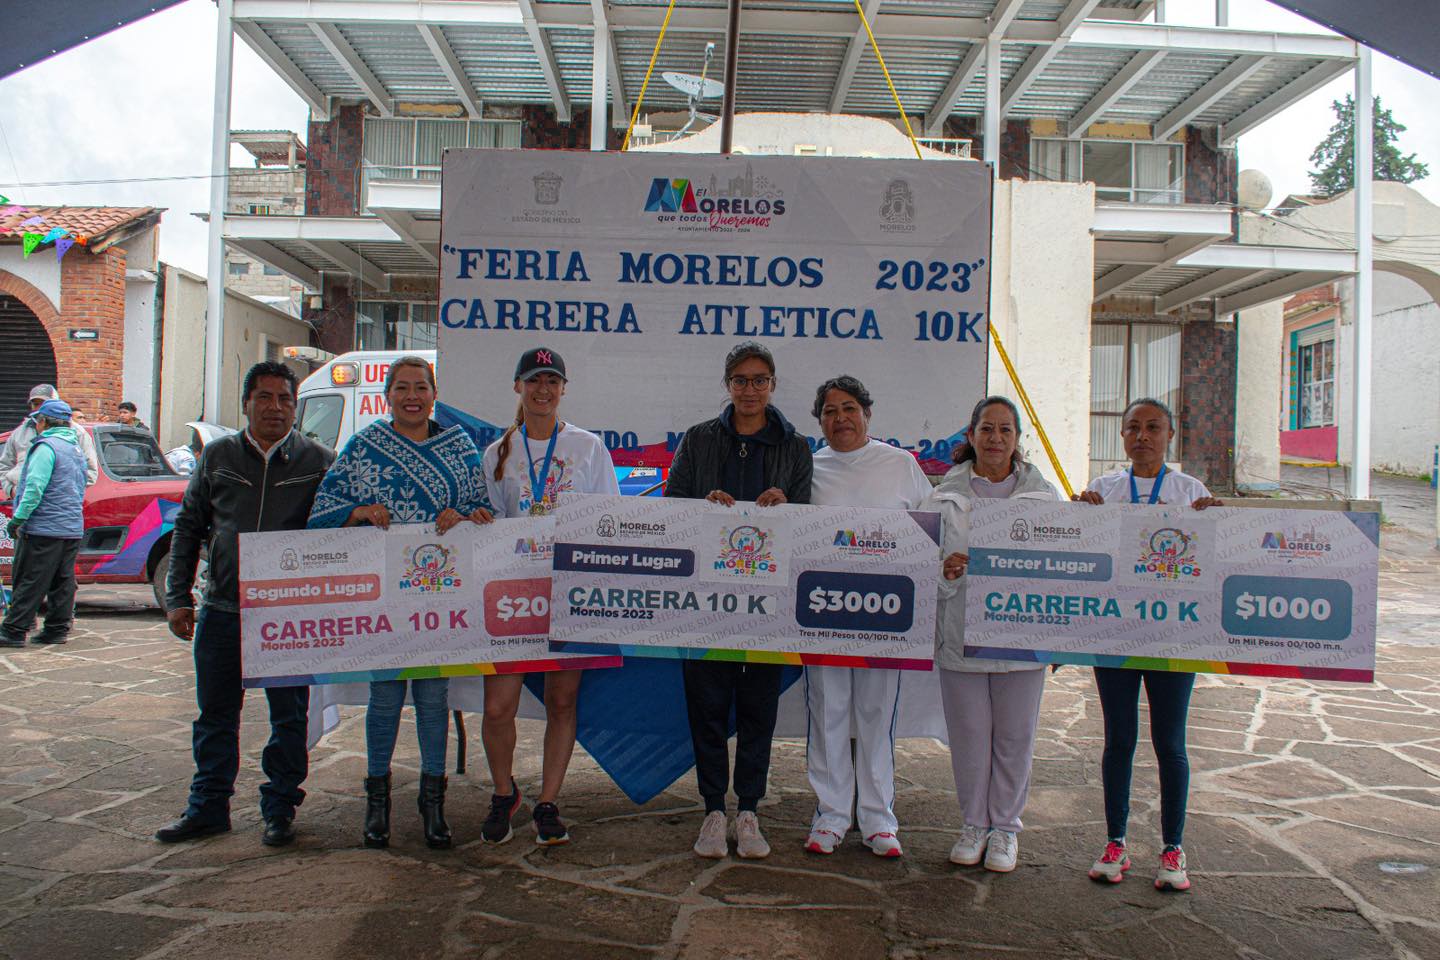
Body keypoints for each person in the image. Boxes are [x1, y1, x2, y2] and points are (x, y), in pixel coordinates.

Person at [308, 356, 491, 850]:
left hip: (440, 595)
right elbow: (321, 512)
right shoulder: (365, 445)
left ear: (435, 394)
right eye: (402, 388)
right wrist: (360, 511)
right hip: (385, 599)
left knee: (433, 700)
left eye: (422, 387)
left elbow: (486, 509)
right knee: (385, 699)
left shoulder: (459, 447)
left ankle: (433, 805)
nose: (413, 396)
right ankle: (377, 804)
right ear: (387, 396)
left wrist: (468, 516)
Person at [156, 361, 335, 848]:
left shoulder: (319, 460)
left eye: (285, 399)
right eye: (265, 397)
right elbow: (188, 529)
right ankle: (208, 807)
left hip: (288, 617)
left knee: (289, 718)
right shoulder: (216, 457)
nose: (275, 408)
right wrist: (177, 598)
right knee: (215, 715)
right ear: (246, 403)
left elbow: (340, 534)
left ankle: (279, 807)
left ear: (296, 408)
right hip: (222, 609)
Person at [666, 341, 813, 860]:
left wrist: (786, 505)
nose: (750, 390)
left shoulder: (795, 446)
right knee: (705, 707)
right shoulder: (699, 439)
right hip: (705, 605)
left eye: (760, 380)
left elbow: (807, 519)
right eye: (741, 380)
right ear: (727, 384)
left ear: (772, 385)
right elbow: (672, 506)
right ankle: (711, 810)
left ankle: (748, 809)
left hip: (769, 607)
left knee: (757, 711)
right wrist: (700, 506)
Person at [1073, 397, 1222, 893]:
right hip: (1115, 634)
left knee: (1170, 743)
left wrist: (1216, 520)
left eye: (1153, 427)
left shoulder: (1189, 490)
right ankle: (1115, 841)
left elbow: (1212, 557)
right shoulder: (1103, 489)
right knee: (1119, 740)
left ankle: (1172, 848)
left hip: (1174, 637)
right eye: (1132, 427)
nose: (1142, 436)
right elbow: (1082, 551)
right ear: (1121, 437)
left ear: (1170, 435)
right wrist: (1081, 516)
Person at [479, 347, 619, 846]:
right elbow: (488, 525)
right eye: (534, 380)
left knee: (563, 701)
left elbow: (608, 517)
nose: (543, 389)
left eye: (553, 381)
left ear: (563, 389)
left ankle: (549, 802)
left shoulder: (588, 448)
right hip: (514, 595)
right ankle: (503, 792)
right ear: (519, 386)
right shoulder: (497, 453)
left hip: (570, 591)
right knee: (498, 707)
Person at [923, 396, 1060, 873]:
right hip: (959, 635)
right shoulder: (941, 496)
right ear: (971, 435)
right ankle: (973, 825)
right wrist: (946, 573)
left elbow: (1061, 569)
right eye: (987, 429)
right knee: (970, 737)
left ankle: (1004, 829)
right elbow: (922, 569)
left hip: (1022, 640)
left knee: (1015, 738)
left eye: (1005, 430)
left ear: (1018, 439)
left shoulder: (1044, 498)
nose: (996, 438)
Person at [803, 376, 931, 859]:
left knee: (876, 715)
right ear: (819, 421)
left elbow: (930, 526)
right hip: (822, 612)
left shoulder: (901, 465)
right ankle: (831, 815)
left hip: (887, 615)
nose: (841, 419)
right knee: (830, 712)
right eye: (831, 411)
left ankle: (878, 820)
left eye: (850, 408)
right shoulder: (809, 468)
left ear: (868, 414)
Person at [0, 400, 87, 648]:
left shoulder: (46, 447)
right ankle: (57, 628)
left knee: (30, 577)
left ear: (43, 422)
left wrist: (19, 518)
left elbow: (34, 488)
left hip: (44, 525)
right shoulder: (74, 448)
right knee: (62, 580)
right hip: (70, 526)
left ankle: (14, 629)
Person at [1, 384, 98, 498]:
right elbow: (4, 465)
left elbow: (90, 472)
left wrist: (57, 494)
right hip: (24, 500)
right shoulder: (19, 433)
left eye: (44, 403)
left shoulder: (77, 433)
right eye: (36, 404)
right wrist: (11, 490)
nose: (40, 408)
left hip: (57, 504)